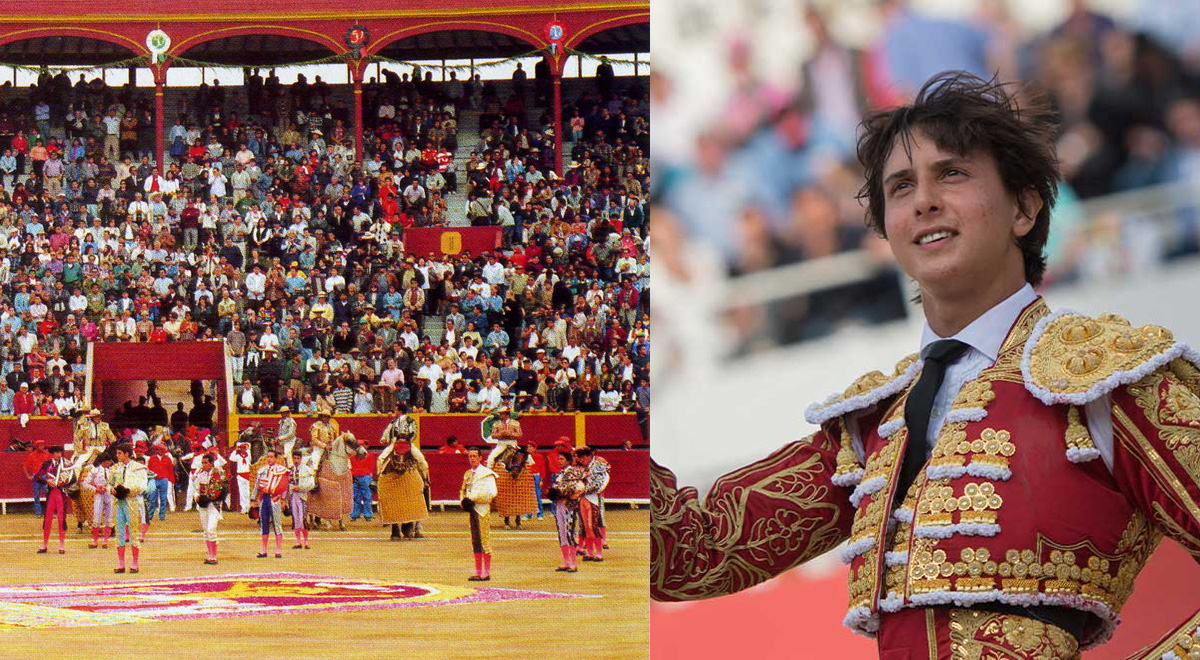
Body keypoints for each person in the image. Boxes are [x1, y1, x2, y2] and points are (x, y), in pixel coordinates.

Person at [651, 72, 1200, 657]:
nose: (924, 200)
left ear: (1024, 207)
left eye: (953, 173)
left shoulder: (1106, 378)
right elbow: (691, 555)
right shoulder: (872, 427)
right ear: (887, 230)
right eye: (901, 187)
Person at [376, 420, 430, 540]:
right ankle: (414, 526)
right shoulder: (410, 444)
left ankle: (398, 529)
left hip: (394, 469)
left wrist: (379, 474)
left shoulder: (393, 440)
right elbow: (422, 463)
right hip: (408, 469)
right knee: (419, 492)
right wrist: (425, 477)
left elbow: (380, 459)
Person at [460, 447, 498, 581]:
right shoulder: (468, 474)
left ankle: (486, 572)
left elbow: (492, 493)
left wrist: (474, 499)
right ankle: (477, 571)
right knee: (475, 541)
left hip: (482, 509)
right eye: (470, 456)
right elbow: (463, 490)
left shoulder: (487, 473)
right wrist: (463, 501)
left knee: (484, 540)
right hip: (472, 510)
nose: (472, 459)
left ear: (480, 458)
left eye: (475, 456)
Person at [109, 442, 148, 573]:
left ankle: (134, 563)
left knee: (134, 532)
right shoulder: (115, 468)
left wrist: (127, 489)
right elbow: (110, 484)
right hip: (118, 502)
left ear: (127, 454)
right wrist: (112, 490)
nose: (117, 456)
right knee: (119, 531)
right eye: (117, 453)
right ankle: (121, 563)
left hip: (132, 501)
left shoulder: (139, 468)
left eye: (119, 453)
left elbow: (142, 486)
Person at [548, 450, 587, 572]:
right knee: (562, 532)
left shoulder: (575, 472)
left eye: (561, 459)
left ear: (568, 461)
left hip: (569, 505)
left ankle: (573, 563)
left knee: (569, 532)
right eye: (558, 459)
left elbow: (580, 488)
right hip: (559, 504)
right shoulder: (560, 473)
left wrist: (565, 492)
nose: (559, 461)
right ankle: (566, 561)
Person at [34, 445, 75, 554]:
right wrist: (47, 481)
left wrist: (64, 483)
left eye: (60, 452)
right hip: (51, 493)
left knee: (61, 519)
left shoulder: (66, 464)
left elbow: (73, 478)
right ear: (52, 454)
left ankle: (61, 545)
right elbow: (37, 477)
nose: (58, 454)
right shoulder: (47, 464)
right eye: (56, 452)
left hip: (61, 493)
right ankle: (44, 544)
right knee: (47, 518)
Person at [251, 449, 290, 558]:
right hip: (264, 499)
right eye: (267, 457)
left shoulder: (281, 470)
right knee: (264, 523)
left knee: (276, 523)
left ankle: (278, 549)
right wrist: (253, 499)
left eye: (271, 457)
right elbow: (257, 485)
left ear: (276, 459)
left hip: (275, 499)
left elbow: (285, 487)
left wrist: (284, 500)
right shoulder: (262, 470)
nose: (269, 459)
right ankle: (264, 549)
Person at [192, 452, 228, 565]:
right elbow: (196, 488)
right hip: (203, 505)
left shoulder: (218, 473)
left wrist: (204, 497)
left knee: (211, 529)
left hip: (214, 504)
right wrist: (196, 496)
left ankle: (214, 556)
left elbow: (217, 491)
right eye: (202, 463)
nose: (204, 465)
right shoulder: (200, 473)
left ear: (211, 463)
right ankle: (210, 555)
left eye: (206, 462)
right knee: (206, 530)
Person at [577, 447, 609, 561]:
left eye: (583, 458)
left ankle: (599, 553)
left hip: (594, 499)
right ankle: (590, 553)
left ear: (589, 456)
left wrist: (583, 490)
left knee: (593, 526)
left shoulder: (599, 466)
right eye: (580, 458)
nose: (581, 460)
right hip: (582, 499)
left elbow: (602, 482)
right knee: (586, 527)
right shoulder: (580, 467)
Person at [84, 451, 114, 549]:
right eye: (108, 461)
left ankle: (105, 541)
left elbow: (116, 483)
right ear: (103, 461)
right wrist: (95, 489)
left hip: (109, 494)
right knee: (96, 517)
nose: (110, 463)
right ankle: (95, 541)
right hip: (99, 494)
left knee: (109, 518)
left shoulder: (112, 470)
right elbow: (85, 483)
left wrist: (109, 488)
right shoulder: (95, 470)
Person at [288, 448, 316, 549]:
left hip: (302, 496)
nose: (296, 460)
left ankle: (306, 542)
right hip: (292, 497)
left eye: (298, 458)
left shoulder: (306, 470)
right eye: (294, 458)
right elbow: (287, 484)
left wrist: (300, 488)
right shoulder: (290, 470)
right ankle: (298, 541)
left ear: (301, 459)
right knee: (295, 519)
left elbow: (311, 484)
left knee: (302, 518)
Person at [22, 439, 50, 516]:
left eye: (42, 445)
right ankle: (38, 513)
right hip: (36, 476)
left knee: (48, 494)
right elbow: (25, 466)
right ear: (36, 447)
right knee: (36, 495)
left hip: (45, 476)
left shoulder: (47, 454)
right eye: (40, 446)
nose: (41, 447)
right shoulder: (32, 455)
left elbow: (51, 465)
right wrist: (28, 476)